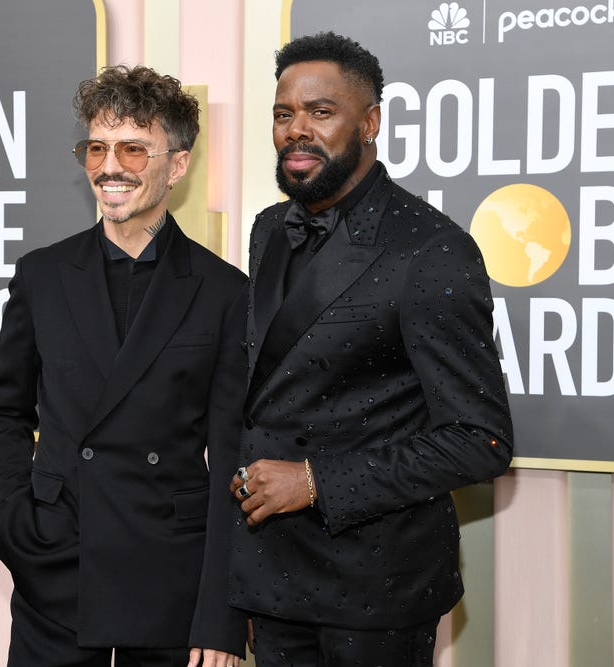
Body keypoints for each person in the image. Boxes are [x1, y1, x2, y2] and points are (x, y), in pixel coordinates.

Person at [228, 32, 514, 666]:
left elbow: (481, 438)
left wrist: (314, 480)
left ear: (371, 122)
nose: (296, 130)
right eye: (283, 114)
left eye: (321, 112)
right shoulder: (269, 228)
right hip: (271, 576)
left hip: (376, 589)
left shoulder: (433, 250)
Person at [0, 64, 247, 667]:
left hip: (168, 583)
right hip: (55, 569)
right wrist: (15, 517)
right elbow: (5, 410)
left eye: (133, 148)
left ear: (177, 165)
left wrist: (221, 619)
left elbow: (232, 456)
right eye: (97, 148)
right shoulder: (42, 276)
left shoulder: (224, 292)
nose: (110, 167)